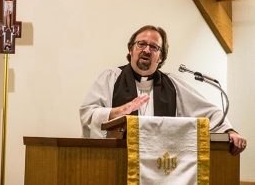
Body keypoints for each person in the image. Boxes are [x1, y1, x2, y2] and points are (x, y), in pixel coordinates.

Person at [79, 25, 246, 155]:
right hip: (119, 161)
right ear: (131, 49)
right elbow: (88, 114)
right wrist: (119, 111)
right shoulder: (111, 78)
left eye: (154, 47)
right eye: (141, 44)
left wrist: (229, 131)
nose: (146, 50)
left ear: (161, 57)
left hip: (162, 165)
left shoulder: (172, 85)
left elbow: (209, 113)